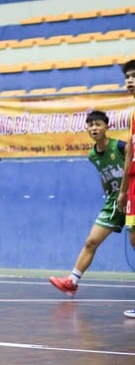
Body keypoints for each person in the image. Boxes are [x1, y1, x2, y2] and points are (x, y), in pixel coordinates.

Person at [49, 111, 127, 297]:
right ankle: (72, 282)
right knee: (91, 241)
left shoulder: (120, 147)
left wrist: (125, 192)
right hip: (113, 201)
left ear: (107, 127)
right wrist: (108, 192)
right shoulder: (93, 154)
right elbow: (103, 174)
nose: (94, 128)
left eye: (98, 124)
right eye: (91, 125)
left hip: (129, 196)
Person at [118, 60, 135, 318]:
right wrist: (123, 190)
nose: (130, 81)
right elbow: (130, 151)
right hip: (133, 184)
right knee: (133, 239)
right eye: (127, 77)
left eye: (134, 76)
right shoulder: (133, 115)